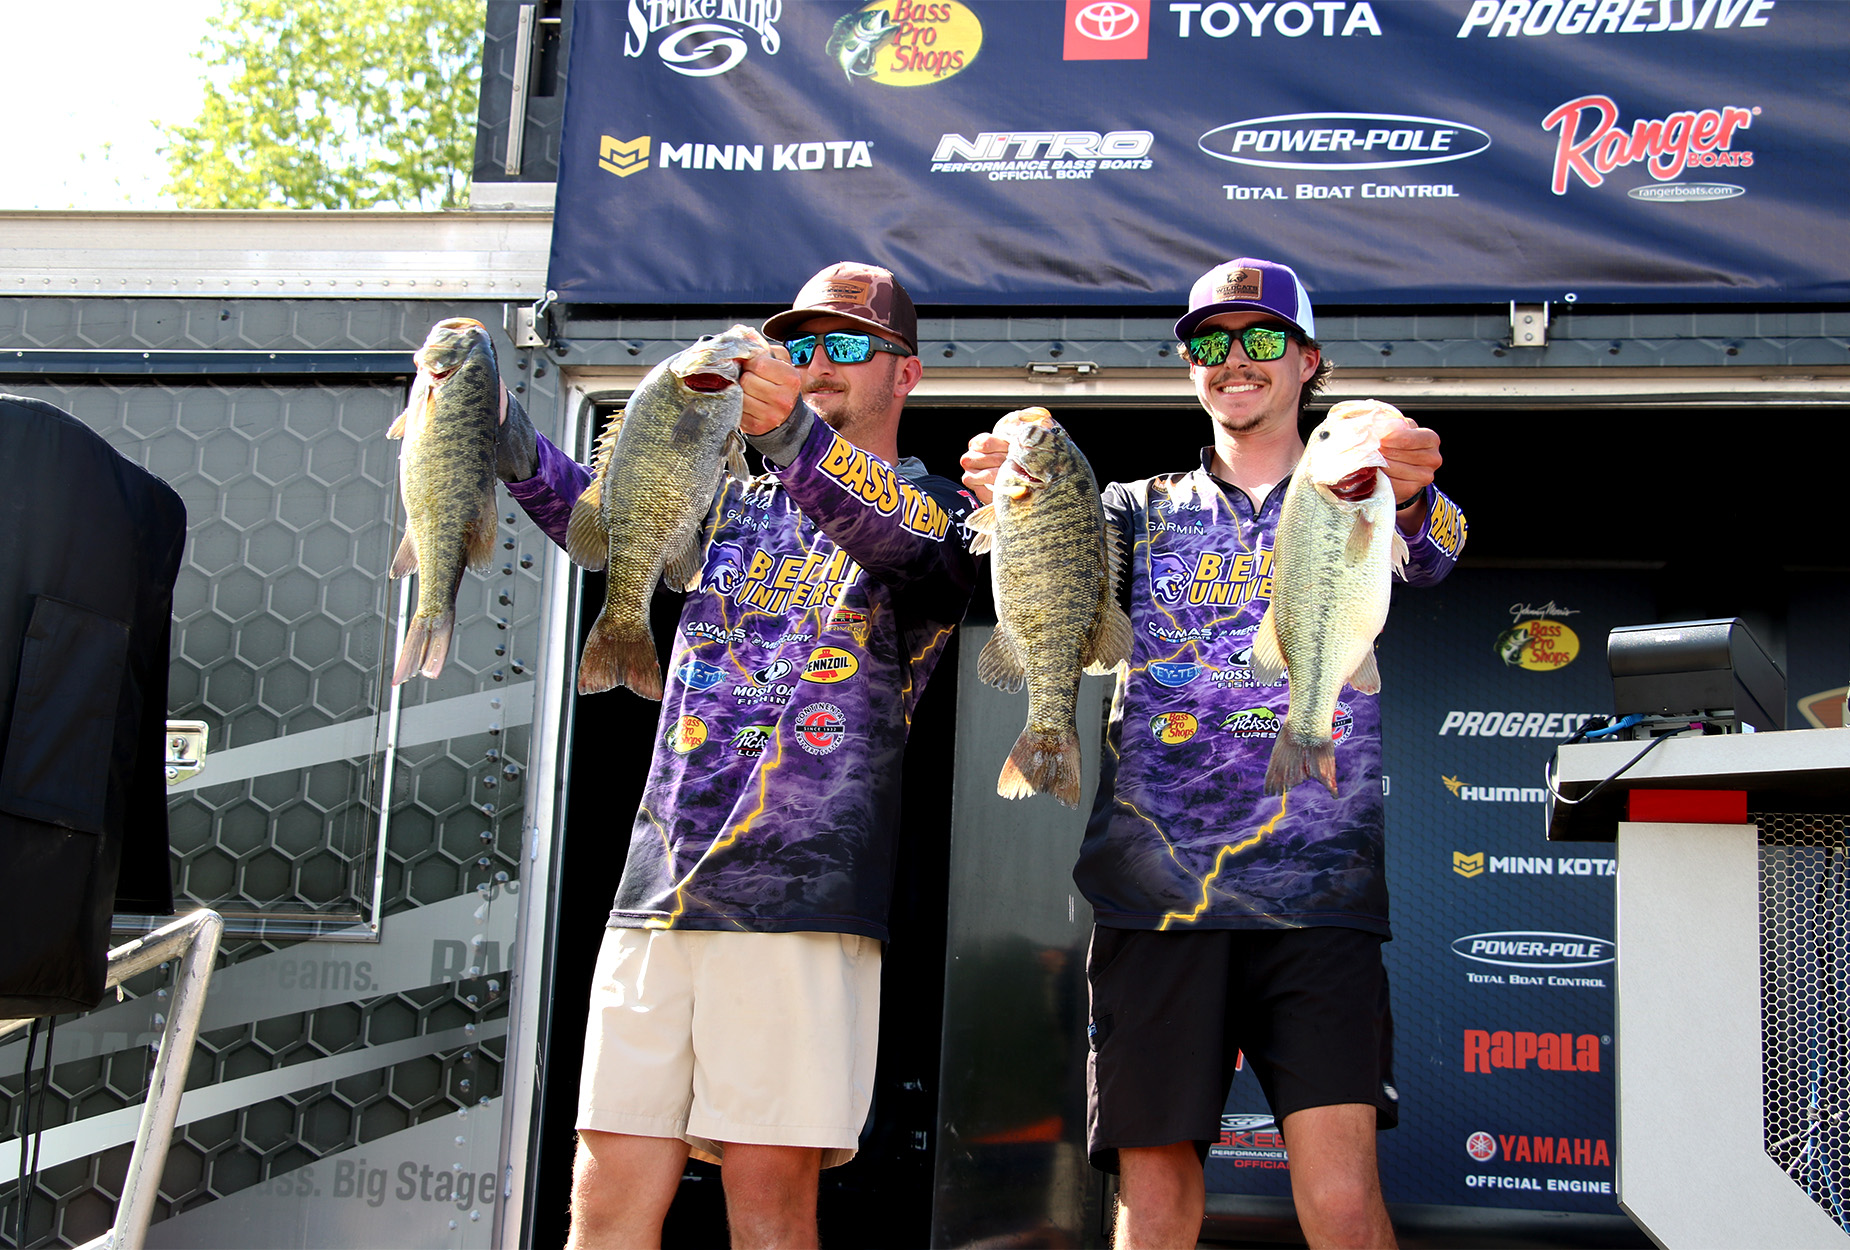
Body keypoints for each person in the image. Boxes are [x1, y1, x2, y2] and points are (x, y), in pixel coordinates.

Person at [961, 258, 1466, 1250]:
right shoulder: (1131, 506)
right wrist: (1001, 479)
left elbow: (1438, 546)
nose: (1234, 360)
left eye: (1262, 339)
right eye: (1208, 342)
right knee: (1151, 1211)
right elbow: (1035, 553)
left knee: (1343, 1203)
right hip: (1155, 894)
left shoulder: (1352, 488)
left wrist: (1409, 485)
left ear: (1307, 361)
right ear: (1188, 364)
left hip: (1317, 894)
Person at [495, 262, 977, 1248]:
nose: (816, 363)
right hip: (656, 885)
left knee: (766, 1207)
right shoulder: (725, 500)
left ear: (908, 375)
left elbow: (908, 548)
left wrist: (789, 432)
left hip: (798, 898)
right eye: (798, 343)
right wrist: (498, 429)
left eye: (846, 344)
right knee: (605, 1191)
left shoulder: (938, 510)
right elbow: (605, 517)